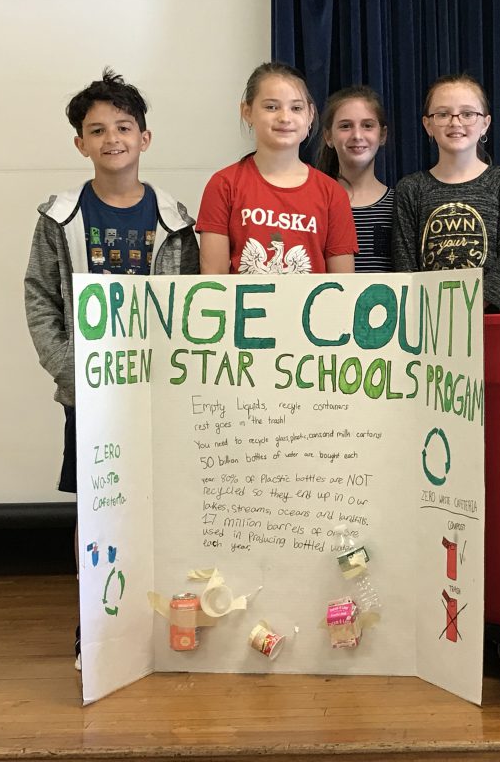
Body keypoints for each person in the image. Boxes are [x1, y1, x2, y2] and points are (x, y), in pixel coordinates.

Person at [23, 67, 199, 669]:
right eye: (96, 130)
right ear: (80, 143)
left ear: (145, 138)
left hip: (160, 390)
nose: (112, 139)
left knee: (166, 501)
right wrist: (71, 374)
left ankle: (164, 619)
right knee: (95, 507)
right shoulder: (61, 218)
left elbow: (197, 304)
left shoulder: (177, 219)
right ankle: (95, 626)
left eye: (124, 127)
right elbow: (40, 297)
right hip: (91, 395)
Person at [197, 62, 356, 274]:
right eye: (271, 107)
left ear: (310, 115)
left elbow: (343, 286)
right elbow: (213, 280)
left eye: (296, 108)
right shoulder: (224, 185)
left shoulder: (332, 193)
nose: (284, 117)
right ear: (247, 111)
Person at [391, 74, 500, 311]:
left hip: (490, 319)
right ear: (427, 124)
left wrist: (470, 307)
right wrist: (437, 312)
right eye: (443, 114)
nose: (455, 122)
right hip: (429, 320)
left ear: (485, 123)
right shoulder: (410, 188)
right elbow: (405, 264)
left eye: (467, 113)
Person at [316, 86, 394, 273]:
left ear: (382, 135)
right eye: (345, 126)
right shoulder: (315, 203)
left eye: (367, 125)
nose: (357, 136)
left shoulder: (399, 204)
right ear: (328, 136)